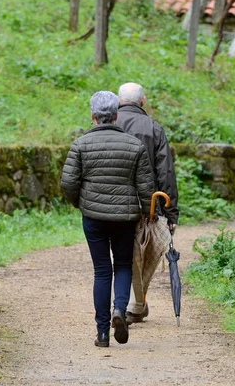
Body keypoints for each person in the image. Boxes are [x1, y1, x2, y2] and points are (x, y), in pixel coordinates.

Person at [61, 91, 154, 348]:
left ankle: (102, 333)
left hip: (93, 217)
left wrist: (82, 203)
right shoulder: (135, 145)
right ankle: (119, 311)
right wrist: (148, 214)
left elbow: (68, 182)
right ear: (115, 116)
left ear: (93, 116)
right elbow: (146, 187)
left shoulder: (80, 145)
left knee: (102, 271)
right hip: (125, 218)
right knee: (123, 265)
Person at [117, 82, 179, 324]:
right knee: (141, 252)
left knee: (123, 254)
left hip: (111, 203)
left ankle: (129, 305)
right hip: (147, 204)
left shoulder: (108, 124)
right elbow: (165, 172)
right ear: (142, 101)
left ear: (119, 101)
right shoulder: (153, 128)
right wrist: (171, 212)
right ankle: (137, 304)